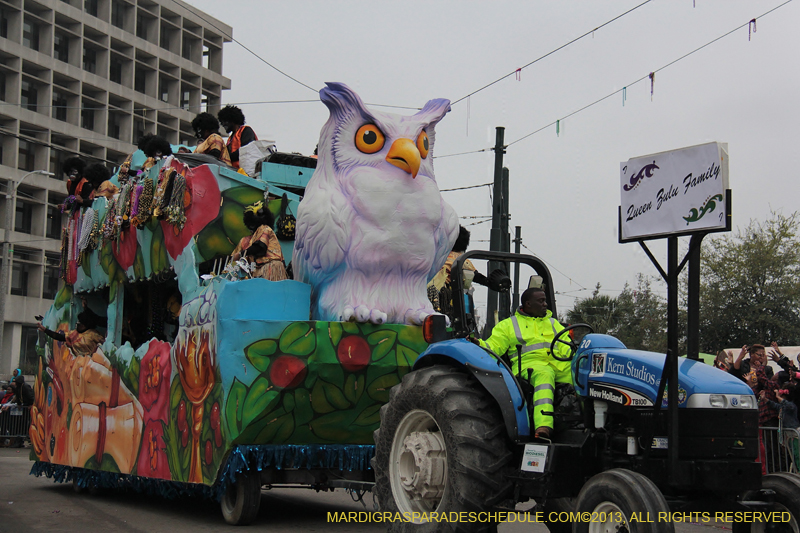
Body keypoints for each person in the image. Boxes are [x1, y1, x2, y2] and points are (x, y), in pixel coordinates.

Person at [473, 287, 571, 439]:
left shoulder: (553, 323)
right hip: (529, 365)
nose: (545, 304)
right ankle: (543, 426)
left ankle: (587, 421)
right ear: (528, 304)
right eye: (541, 301)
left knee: (581, 372)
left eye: (545, 300)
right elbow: (494, 347)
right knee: (544, 375)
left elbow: (568, 347)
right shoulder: (508, 325)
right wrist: (478, 344)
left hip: (557, 364)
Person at [230, 201, 288, 281]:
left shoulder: (265, 229)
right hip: (257, 271)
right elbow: (232, 258)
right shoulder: (247, 240)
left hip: (269, 267)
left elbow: (259, 247)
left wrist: (240, 254)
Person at [37, 298, 106, 358]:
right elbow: (59, 336)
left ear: (85, 325)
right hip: (77, 365)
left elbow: (104, 346)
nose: (77, 324)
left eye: (80, 323)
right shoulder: (73, 334)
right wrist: (45, 330)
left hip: (90, 365)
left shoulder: (94, 334)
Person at [218, 105, 257, 170]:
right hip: (234, 171)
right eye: (222, 122)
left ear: (233, 120)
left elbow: (246, 150)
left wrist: (228, 157)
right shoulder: (230, 139)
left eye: (225, 121)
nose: (223, 124)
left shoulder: (246, 130)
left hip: (245, 171)